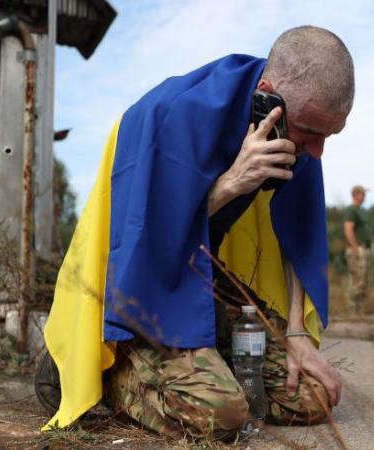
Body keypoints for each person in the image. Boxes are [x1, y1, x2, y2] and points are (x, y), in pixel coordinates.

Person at [39, 26, 355, 440]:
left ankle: (203, 360)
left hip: (199, 272)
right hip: (133, 285)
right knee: (220, 415)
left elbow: (297, 234)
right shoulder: (170, 113)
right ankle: (99, 369)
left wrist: (295, 333)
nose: (316, 151)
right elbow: (144, 241)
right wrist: (231, 184)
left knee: (313, 397)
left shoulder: (290, 127)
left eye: (329, 135)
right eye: (311, 132)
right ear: (268, 95)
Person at [343, 185, 371, 316]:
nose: (365, 197)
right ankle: (351, 311)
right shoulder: (351, 210)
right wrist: (355, 248)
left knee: (363, 281)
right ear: (356, 194)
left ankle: (359, 311)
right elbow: (348, 229)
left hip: (364, 248)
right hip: (356, 249)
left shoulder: (361, 210)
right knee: (356, 279)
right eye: (363, 194)